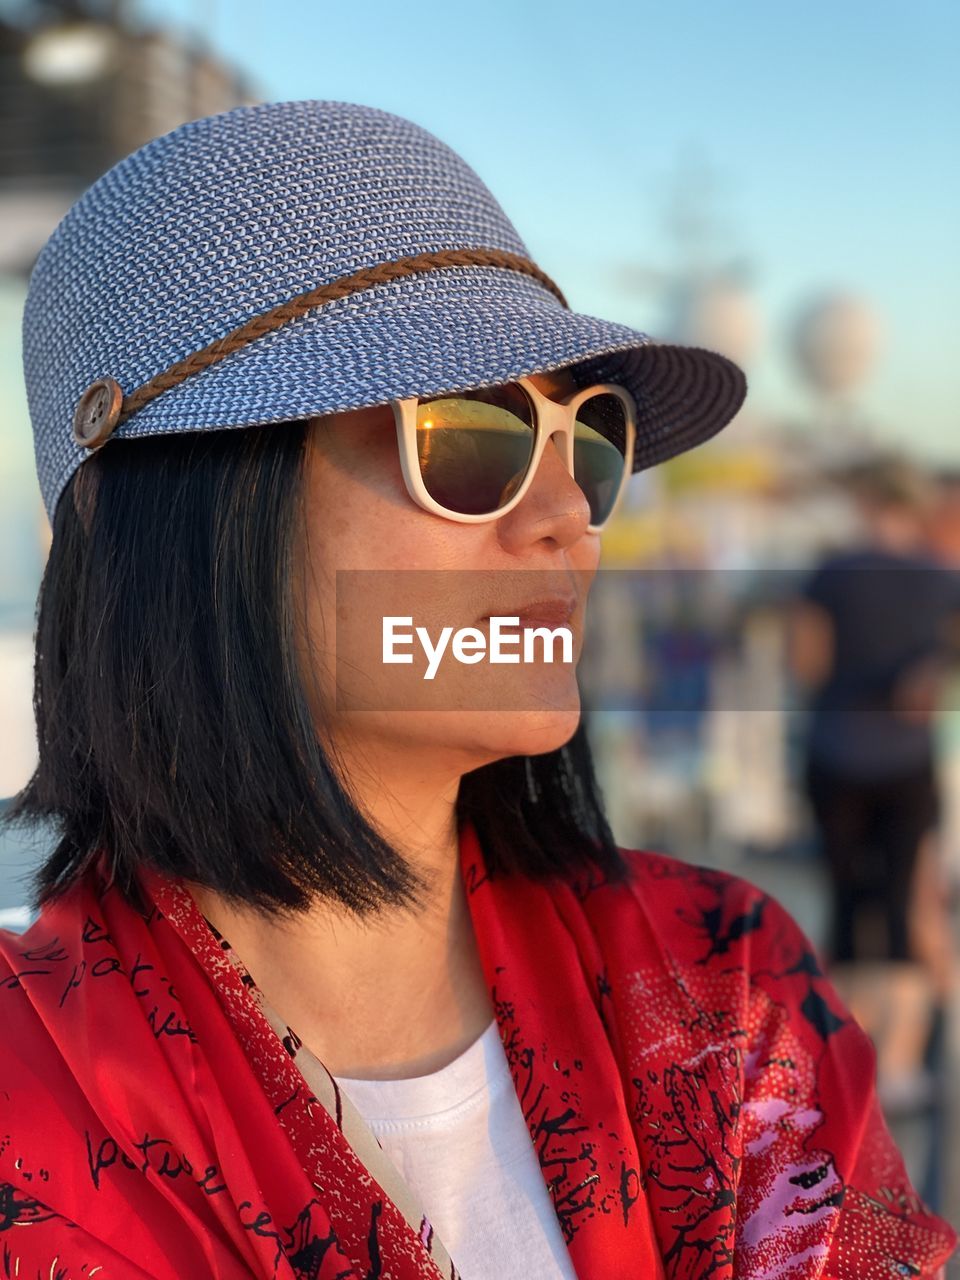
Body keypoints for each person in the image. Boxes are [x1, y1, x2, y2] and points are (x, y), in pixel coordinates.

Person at [0, 100, 954, 1280]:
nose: (567, 515)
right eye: (466, 432)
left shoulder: (728, 988)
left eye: (585, 438)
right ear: (150, 513)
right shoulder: (28, 1113)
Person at [789, 454, 960, 1107]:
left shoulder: (831, 572)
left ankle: (842, 1054)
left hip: (835, 753)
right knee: (897, 904)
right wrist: (928, 669)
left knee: (845, 900)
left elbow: (806, 661)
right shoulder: (938, 577)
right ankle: (902, 1062)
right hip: (907, 759)